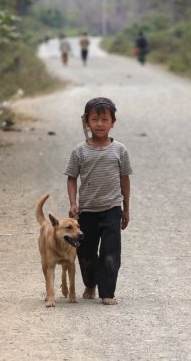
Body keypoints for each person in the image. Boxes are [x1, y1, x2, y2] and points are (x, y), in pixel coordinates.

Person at [64, 97, 133, 305]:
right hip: (87, 211)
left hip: (112, 208)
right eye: (95, 119)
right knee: (85, 253)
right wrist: (73, 203)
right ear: (87, 122)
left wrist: (125, 209)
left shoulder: (120, 150)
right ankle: (90, 283)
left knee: (110, 253)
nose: (100, 124)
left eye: (105, 119)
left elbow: (125, 180)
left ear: (113, 122)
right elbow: (71, 178)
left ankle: (107, 292)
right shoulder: (80, 151)